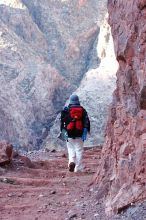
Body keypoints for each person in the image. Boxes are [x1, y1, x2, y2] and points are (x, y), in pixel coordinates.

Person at [60, 94, 90, 172]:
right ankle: (78, 168)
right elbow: (87, 121)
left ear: (70, 100)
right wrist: (86, 131)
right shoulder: (82, 110)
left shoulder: (67, 109)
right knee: (79, 150)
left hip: (69, 133)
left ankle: (71, 162)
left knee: (71, 149)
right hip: (79, 133)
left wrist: (63, 132)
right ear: (78, 100)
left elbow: (63, 121)